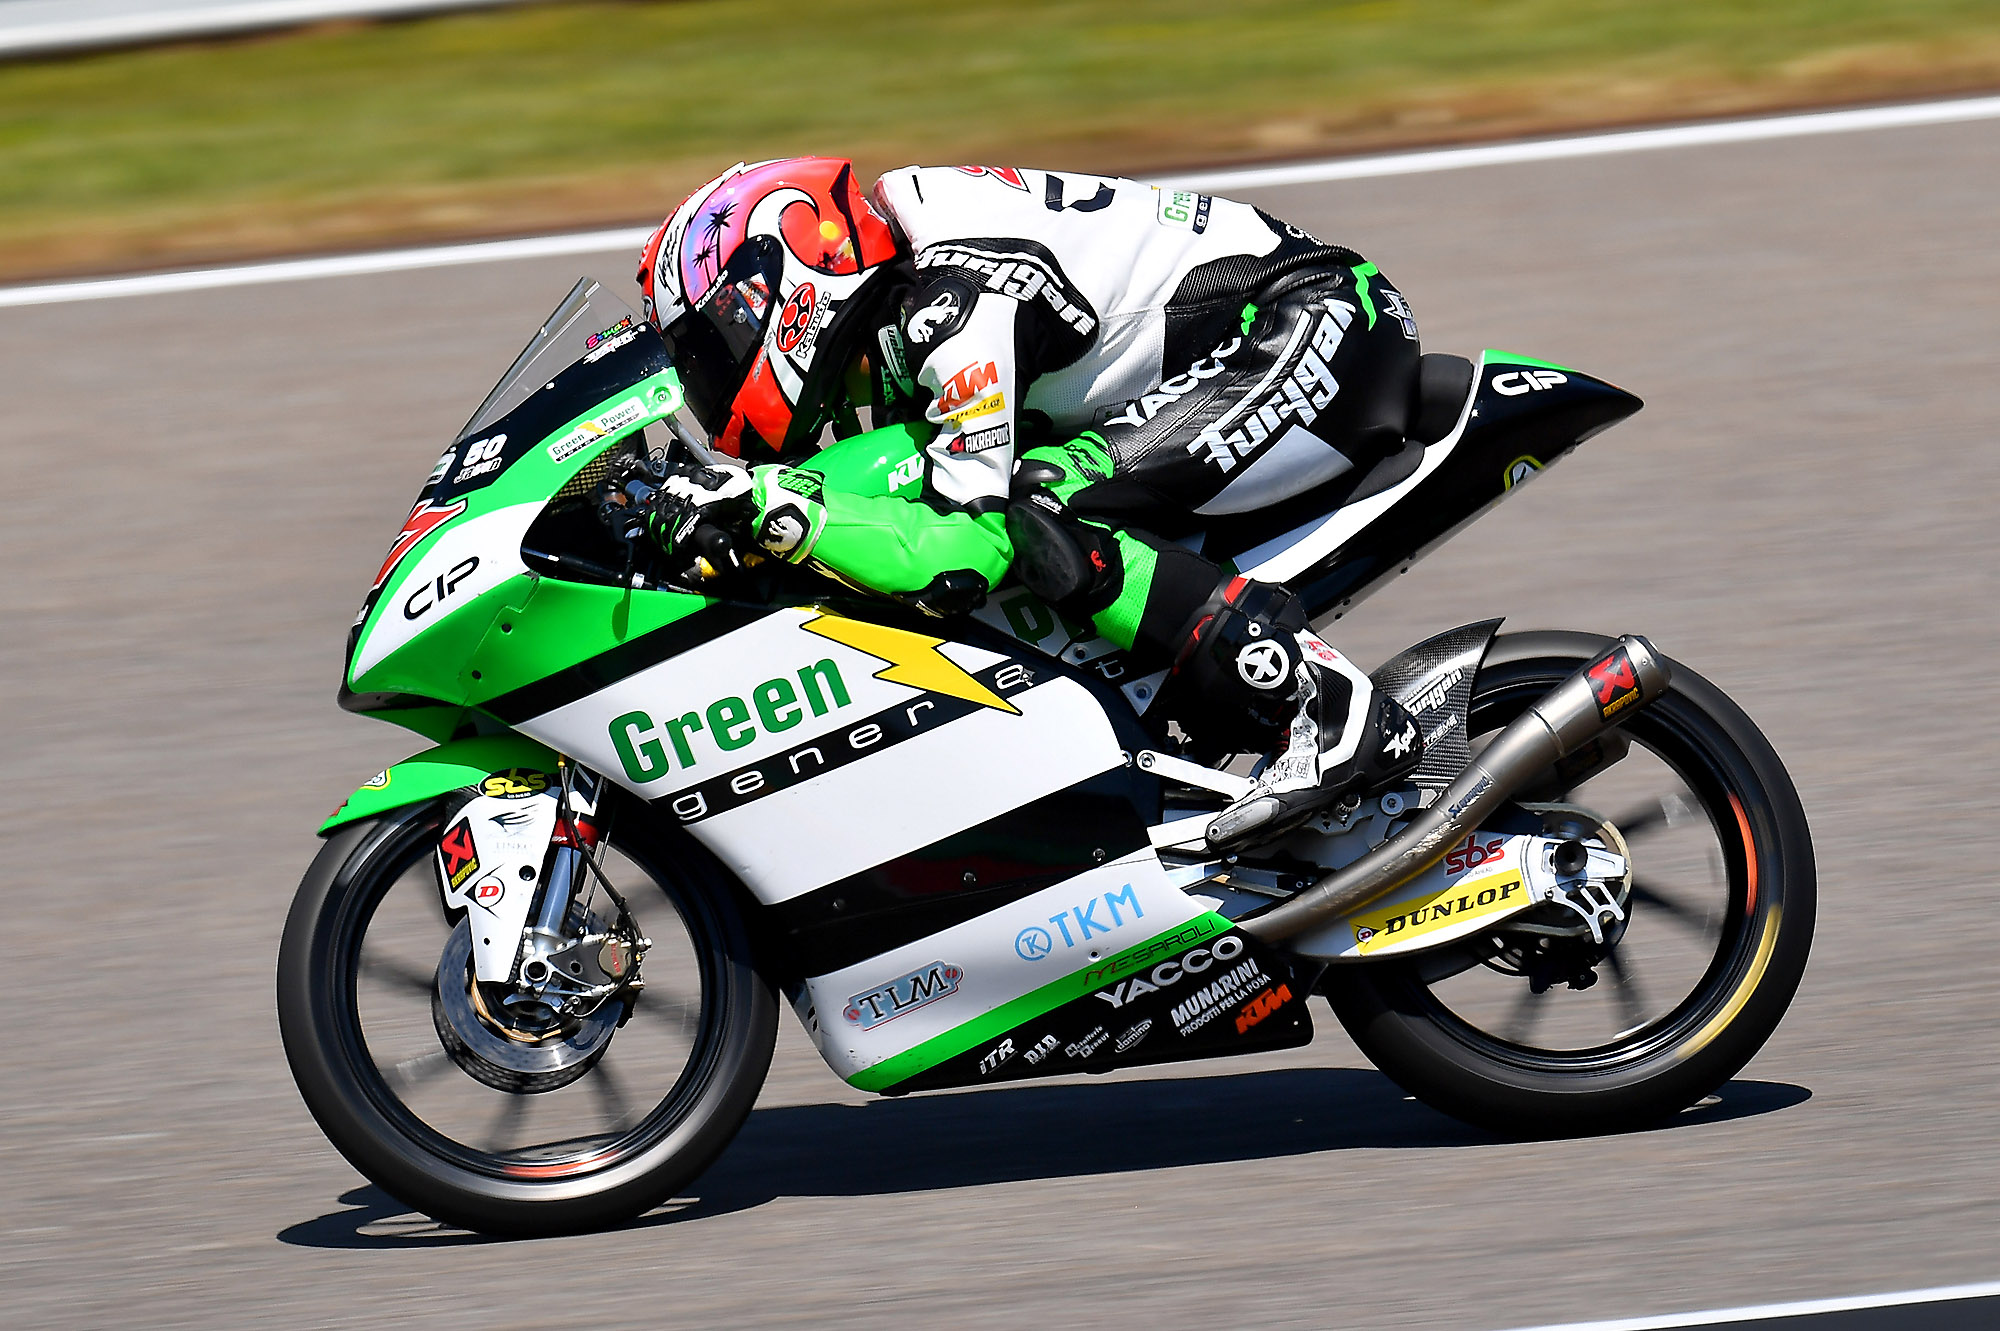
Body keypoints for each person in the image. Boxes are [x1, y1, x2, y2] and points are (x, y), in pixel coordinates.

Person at [608, 157, 1424, 851]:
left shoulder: (954, 302)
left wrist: (774, 508)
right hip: (1256, 334)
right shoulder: (900, 287)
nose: (707, 378)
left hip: (1313, 324)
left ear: (787, 287)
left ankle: (1325, 706)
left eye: (713, 344)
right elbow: (890, 474)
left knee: (1038, 505)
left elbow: (961, 553)